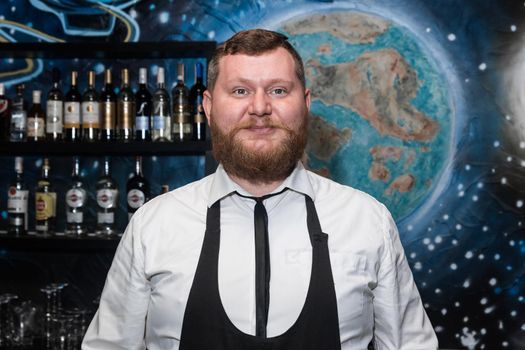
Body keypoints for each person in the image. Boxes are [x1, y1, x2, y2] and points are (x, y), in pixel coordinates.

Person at [82, 29, 438, 349]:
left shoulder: (367, 220)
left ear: (306, 103)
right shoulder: (154, 224)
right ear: (207, 107)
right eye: (240, 91)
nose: (259, 107)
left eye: (278, 90)